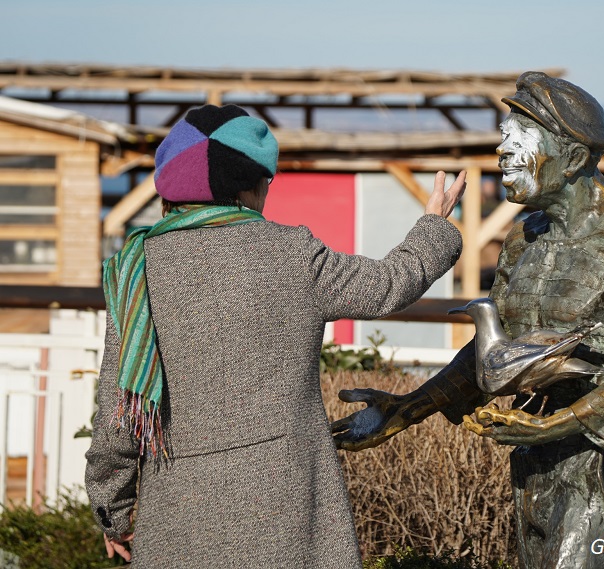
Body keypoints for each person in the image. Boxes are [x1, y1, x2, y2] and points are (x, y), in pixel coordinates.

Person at [84, 104, 466, 568]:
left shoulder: (136, 271)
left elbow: (118, 416)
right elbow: (388, 285)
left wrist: (114, 512)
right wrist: (435, 224)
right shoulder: (293, 254)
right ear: (251, 185)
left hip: (178, 518)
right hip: (291, 506)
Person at [333, 72, 604, 569]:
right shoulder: (524, 237)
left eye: (518, 143)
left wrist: (552, 426)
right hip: (534, 462)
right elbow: (492, 353)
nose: (502, 154)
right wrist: (405, 410)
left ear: (574, 158)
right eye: (504, 139)